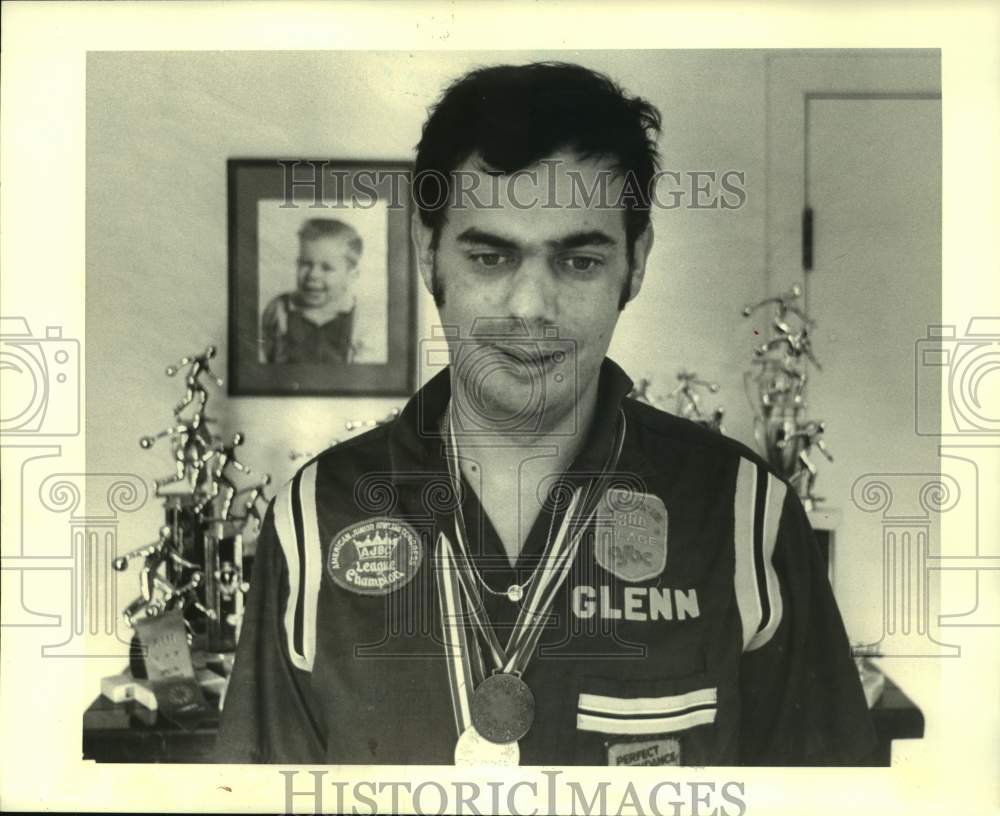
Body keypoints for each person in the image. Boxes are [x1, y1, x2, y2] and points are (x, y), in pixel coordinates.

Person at [216, 62, 875, 766]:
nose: (530, 307)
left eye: (579, 262)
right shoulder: (316, 519)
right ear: (426, 249)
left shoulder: (748, 516)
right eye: (491, 257)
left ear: (637, 262)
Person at [260, 218, 364, 364]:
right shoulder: (279, 309)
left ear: (351, 275)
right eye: (305, 264)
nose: (313, 275)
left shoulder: (359, 318)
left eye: (327, 268)